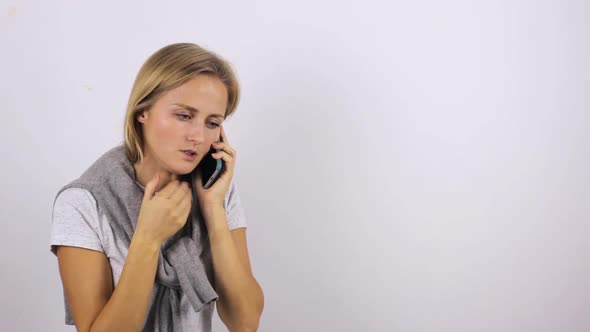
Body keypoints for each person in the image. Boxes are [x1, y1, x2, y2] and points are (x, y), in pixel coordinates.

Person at [49, 43, 264, 332]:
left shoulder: (217, 189)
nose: (198, 136)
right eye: (184, 116)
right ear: (143, 111)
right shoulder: (83, 202)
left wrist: (213, 209)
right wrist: (148, 238)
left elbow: (245, 321)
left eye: (212, 123)